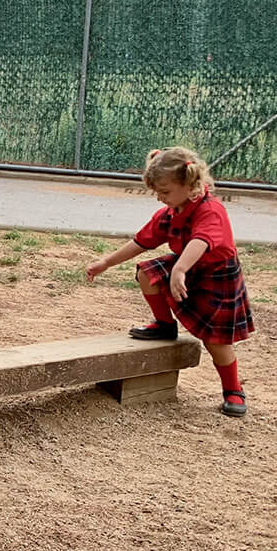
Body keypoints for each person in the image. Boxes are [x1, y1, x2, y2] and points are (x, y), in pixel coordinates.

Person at [85, 147, 253, 417]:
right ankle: (164, 326)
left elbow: (202, 241)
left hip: (216, 276)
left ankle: (233, 389)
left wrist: (180, 269)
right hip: (186, 268)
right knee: (147, 274)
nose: (160, 198)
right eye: (157, 193)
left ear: (189, 184)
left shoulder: (211, 211)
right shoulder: (172, 211)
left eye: (164, 191)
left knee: (216, 341)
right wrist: (106, 262)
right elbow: (142, 240)